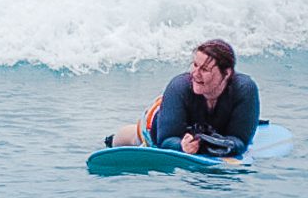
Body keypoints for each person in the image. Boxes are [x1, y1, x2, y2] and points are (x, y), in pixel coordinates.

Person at [107, 39, 259, 156]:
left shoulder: (245, 90)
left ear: (226, 74)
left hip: (206, 128)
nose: (195, 74)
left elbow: (241, 141)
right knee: (134, 138)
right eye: (194, 65)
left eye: (205, 69)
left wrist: (222, 145)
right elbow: (165, 140)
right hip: (159, 123)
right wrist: (181, 146)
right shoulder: (179, 86)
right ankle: (112, 139)